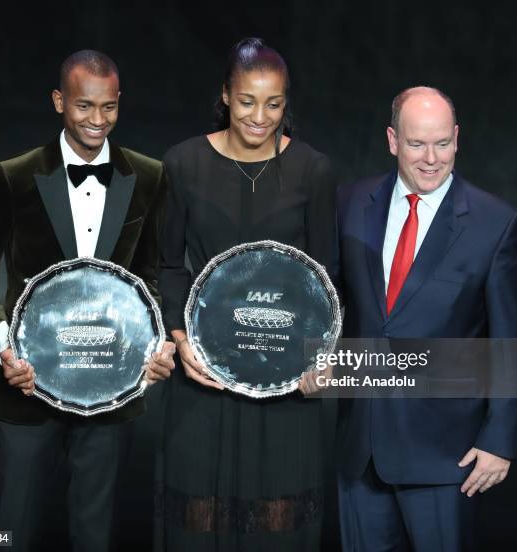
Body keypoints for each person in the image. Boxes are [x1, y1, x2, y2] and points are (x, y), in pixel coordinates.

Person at [0, 49, 174, 552]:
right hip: (26, 388)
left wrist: (157, 342)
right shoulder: (14, 175)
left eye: (109, 107)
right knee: (9, 532)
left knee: (94, 537)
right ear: (59, 102)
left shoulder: (150, 176)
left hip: (111, 390)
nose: (98, 120)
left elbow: (150, 278)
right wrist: (6, 344)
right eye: (83, 106)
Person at [154, 38, 337, 551]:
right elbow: (167, 264)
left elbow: (326, 276)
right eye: (247, 101)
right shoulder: (182, 163)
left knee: (277, 526)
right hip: (205, 378)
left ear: (286, 104)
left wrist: (319, 353)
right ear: (226, 97)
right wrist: (179, 337)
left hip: (283, 376)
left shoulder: (312, 170)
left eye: (274, 103)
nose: (260, 116)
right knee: (198, 523)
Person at [335, 86, 517, 551]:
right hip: (360, 448)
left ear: (457, 139)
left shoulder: (495, 223)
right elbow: (328, 302)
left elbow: (512, 342)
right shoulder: (348, 203)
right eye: (416, 143)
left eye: (442, 143)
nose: (430, 158)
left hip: (449, 457)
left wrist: (500, 440)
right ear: (392, 140)